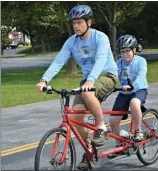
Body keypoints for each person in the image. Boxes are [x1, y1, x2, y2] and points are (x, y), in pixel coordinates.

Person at [35, 5, 119, 170]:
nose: (76, 26)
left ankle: (102, 128)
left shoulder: (100, 37)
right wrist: (44, 80)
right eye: (74, 23)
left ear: (89, 22)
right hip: (88, 80)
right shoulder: (71, 42)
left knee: (89, 93)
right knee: (77, 116)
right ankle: (88, 151)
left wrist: (91, 81)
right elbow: (58, 61)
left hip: (107, 75)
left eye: (79, 22)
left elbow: (101, 60)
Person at [108, 34, 148, 158]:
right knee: (113, 120)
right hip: (124, 92)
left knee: (134, 103)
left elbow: (141, 76)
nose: (125, 54)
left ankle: (138, 131)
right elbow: (113, 76)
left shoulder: (141, 61)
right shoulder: (118, 63)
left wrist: (133, 86)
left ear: (134, 50)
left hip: (139, 90)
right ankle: (119, 146)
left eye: (127, 51)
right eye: (122, 52)